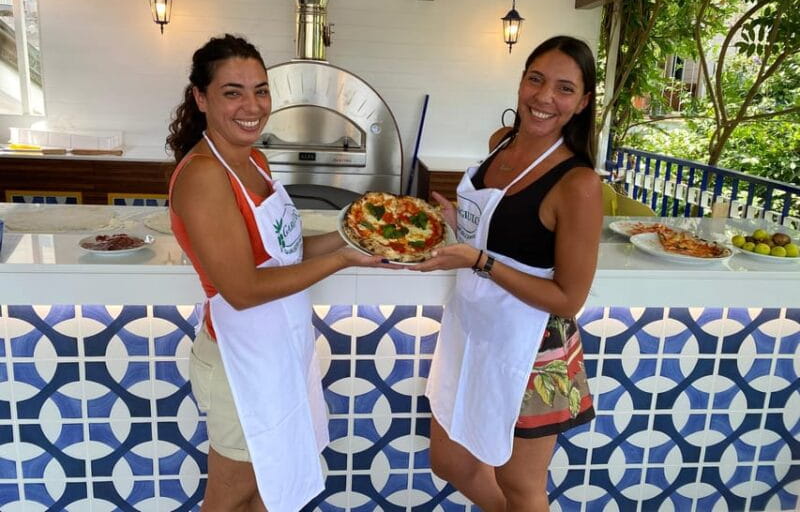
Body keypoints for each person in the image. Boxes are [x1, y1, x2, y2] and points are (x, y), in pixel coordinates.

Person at [166, 34, 388, 512]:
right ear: (201, 98)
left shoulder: (255, 161)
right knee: (229, 499)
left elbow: (283, 254)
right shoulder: (205, 174)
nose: (252, 105)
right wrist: (343, 259)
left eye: (260, 90)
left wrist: (355, 236)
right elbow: (243, 289)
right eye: (233, 92)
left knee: (269, 495)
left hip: (279, 353)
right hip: (239, 364)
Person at [412, 35, 602, 512]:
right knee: (450, 460)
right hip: (474, 331)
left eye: (563, 88)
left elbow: (567, 299)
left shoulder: (578, 184)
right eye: (535, 79)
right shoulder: (502, 143)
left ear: (581, 103)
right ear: (521, 82)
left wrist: (479, 262)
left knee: (520, 488)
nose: (543, 97)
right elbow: (502, 227)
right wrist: (460, 224)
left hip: (532, 350)